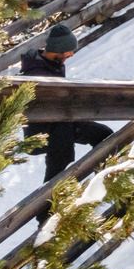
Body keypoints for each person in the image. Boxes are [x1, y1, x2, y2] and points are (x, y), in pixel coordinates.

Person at [20, 23, 114, 182]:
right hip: (42, 131)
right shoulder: (36, 73)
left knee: (103, 134)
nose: (71, 54)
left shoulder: (52, 65)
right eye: (69, 51)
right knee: (61, 158)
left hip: (62, 122)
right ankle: (48, 202)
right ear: (57, 50)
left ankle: (104, 182)